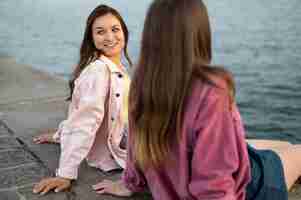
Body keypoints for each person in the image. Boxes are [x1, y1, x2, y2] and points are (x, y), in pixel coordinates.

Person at [93, 0, 301, 199]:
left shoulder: (142, 80)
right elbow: (215, 186)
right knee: (297, 151)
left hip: (200, 161)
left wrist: (130, 183)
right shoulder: (211, 91)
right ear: (200, 34)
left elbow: (136, 143)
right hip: (251, 186)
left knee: (281, 144)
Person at [32, 4, 132, 195]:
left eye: (115, 29)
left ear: (124, 33)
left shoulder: (118, 69)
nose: (110, 37)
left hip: (127, 139)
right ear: (92, 39)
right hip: (117, 153)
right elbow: (85, 121)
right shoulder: (98, 72)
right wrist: (65, 174)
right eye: (100, 32)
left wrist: (59, 135)